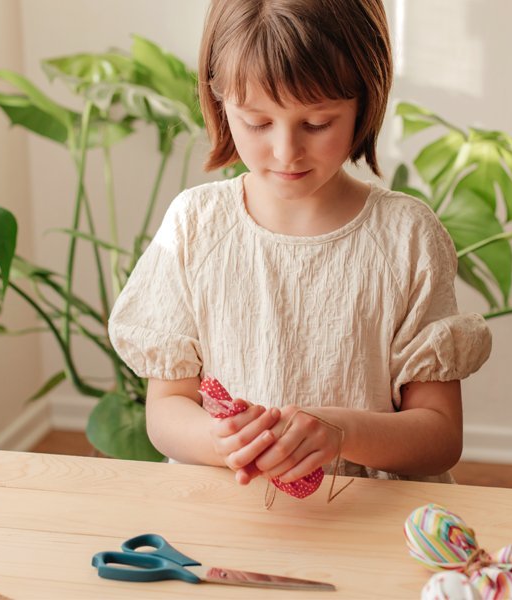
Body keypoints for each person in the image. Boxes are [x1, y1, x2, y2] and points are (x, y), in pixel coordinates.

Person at [109, 0, 492, 487]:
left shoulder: (406, 237)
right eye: (257, 123)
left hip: (370, 521)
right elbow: (166, 410)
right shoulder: (195, 225)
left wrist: (342, 432)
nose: (286, 151)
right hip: (232, 514)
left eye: (316, 123)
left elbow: (439, 437)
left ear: (364, 103)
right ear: (220, 100)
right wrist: (219, 440)